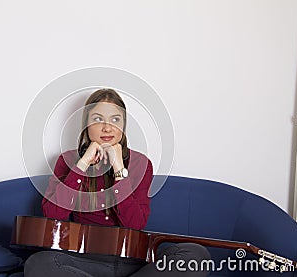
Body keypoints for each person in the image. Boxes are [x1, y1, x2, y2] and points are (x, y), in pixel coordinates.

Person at [24, 88, 210, 276]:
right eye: (98, 119)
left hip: (132, 262)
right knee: (38, 263)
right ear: (86, 125)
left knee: (196, 256)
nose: (107, 127)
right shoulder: (67, 161)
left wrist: (119, 170)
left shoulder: (141, 164)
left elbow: (135, 224)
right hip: (82, 260)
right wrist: (81, 166)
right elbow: (52, 215)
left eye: (115, 119)